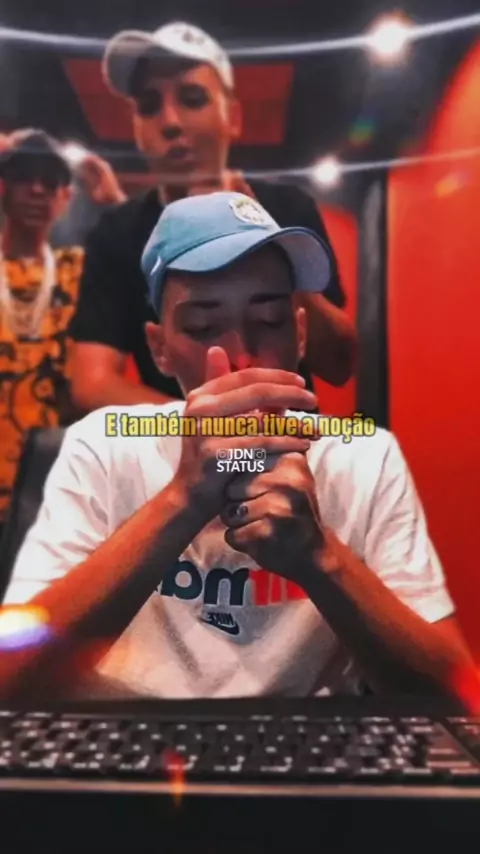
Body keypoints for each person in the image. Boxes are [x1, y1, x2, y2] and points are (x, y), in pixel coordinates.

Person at [0, 191, 477, 709]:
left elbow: (452, 695)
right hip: (127, 733)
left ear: (299, 335)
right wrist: (183, 500)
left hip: (307, 739)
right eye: (203, 328)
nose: (241, 355)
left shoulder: (364, 455)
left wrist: (321, 559)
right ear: (160, 348)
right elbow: (12, 677)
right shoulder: (102, 446)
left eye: (269, 321)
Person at [69, 21, 356, 413]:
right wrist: (205, 426)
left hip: (291, 438)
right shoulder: (116, 235)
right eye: (149, 106)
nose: (170, 122)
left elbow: (340, 364)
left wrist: (275, 253)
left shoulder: (287, 208)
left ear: (232, 117)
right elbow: (92, 384)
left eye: (192, 98)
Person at [0, 129, 84, 534]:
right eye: (23, 177)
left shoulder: (77, 271)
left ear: (66, 196)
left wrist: (114, 201)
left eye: (50, 181)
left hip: (46, 486)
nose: (36, 190)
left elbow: (138, 275)